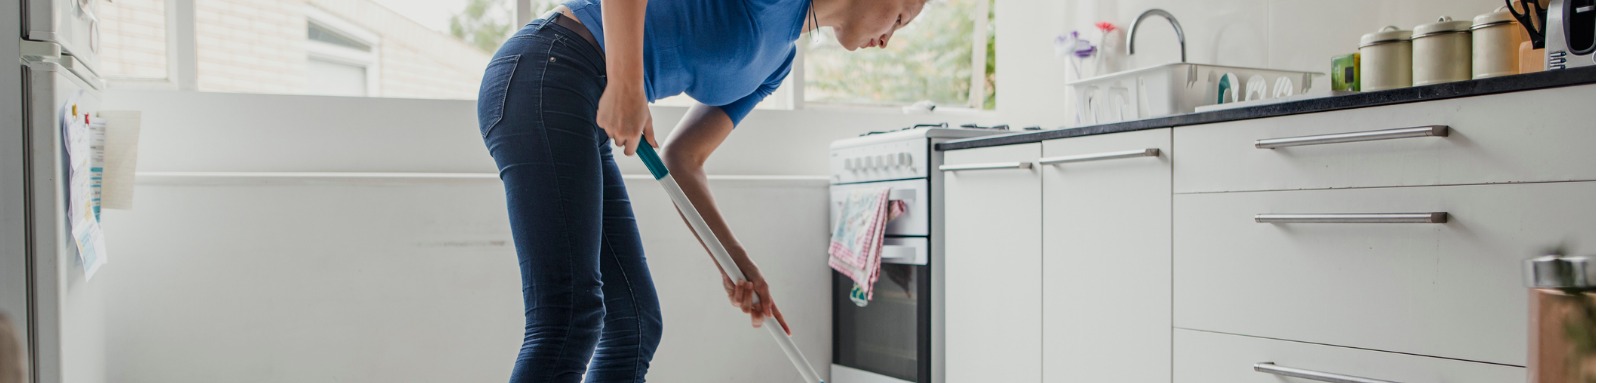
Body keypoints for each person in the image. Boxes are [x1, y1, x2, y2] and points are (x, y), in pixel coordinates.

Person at [477, 0, 926, 381]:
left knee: (634, 324)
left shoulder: (779, 61)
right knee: (570, 315)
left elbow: (684, 158)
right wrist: (629, 84)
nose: (889, 40)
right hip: (548, 68)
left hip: (578, 93)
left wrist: (735, 263)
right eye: (902, 18)